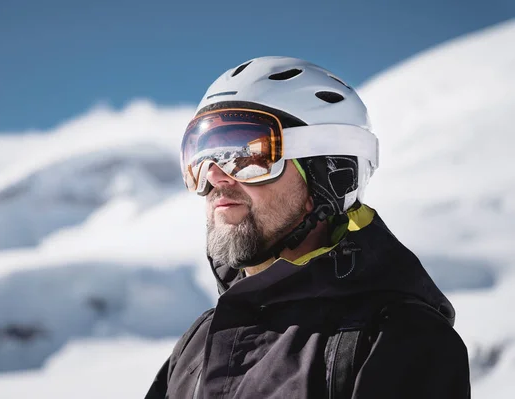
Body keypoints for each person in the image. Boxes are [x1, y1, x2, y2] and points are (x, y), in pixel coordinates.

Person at [145, 56, 470, 398]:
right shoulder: (197, 344)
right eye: (200, 155)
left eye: (247, 155)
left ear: (329, 176)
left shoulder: (398, 341)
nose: (213, 175)